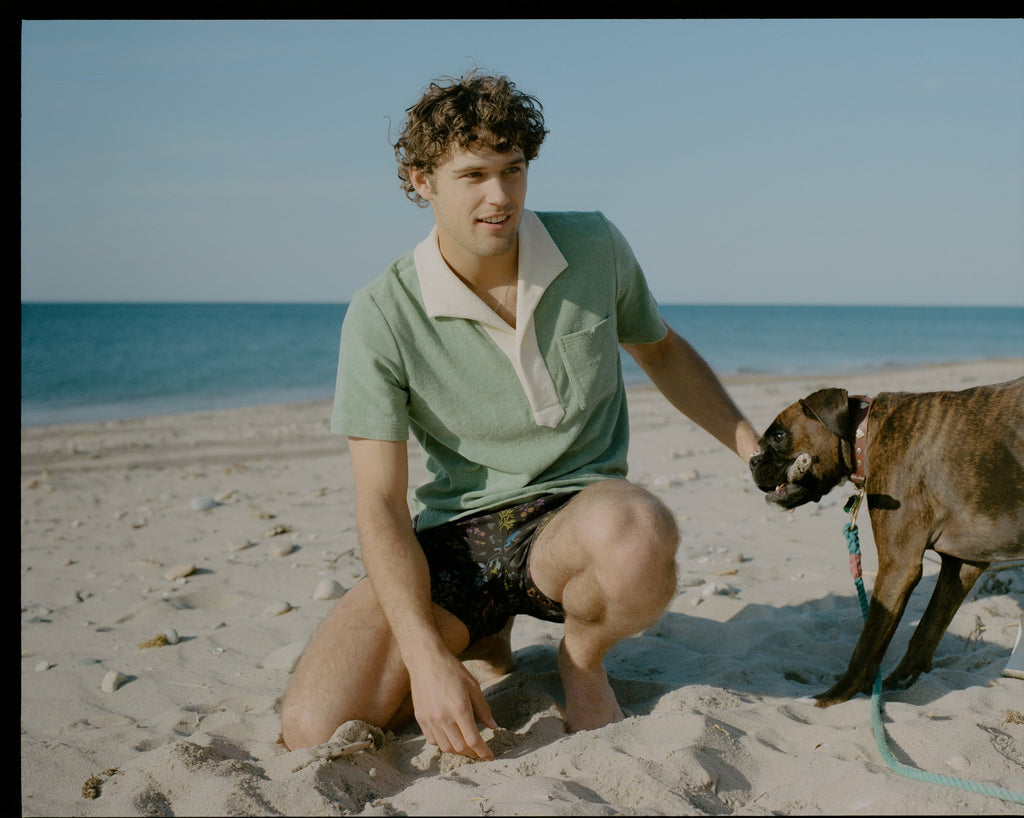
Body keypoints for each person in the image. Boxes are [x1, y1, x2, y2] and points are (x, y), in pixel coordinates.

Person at [280, 70, 760, 761]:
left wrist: (751, 449)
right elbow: (380, 504)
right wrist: (425, 660)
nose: (500, 196)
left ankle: (581, 661)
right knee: (313, 728)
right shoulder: (382, 313)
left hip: (573, 519)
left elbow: (661, 351)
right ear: (421, 180)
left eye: (514, 169)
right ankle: (479, 636)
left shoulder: (593, 246)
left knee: (637, 531)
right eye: (473, 175)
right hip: (459, 535)